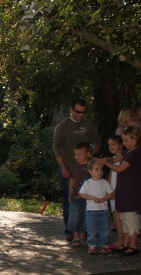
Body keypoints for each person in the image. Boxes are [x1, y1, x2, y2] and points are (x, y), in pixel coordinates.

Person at [53, 99, 101, 240]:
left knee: (88, 198)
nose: (81, 115)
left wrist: (95, 157)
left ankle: (87, 230)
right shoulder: (63, 126)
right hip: (68, 166)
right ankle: (70, 229)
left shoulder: (88, 124)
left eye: (83, 112)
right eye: (78, 112)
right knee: (71, 197)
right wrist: (63, 168)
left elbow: (97, 141)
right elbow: (57, 148)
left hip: (87, 167)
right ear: (71, 110)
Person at [100, 126, 141, 256]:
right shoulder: (128, 152)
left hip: (131, 192)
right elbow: (115, 159)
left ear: (135, 139)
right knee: (124, 219)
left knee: (130, 220)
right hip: (124, 191)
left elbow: (120, 168)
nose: (124, 143)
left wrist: (106, 163)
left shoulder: (135, 153)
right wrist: (105, 159)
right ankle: (125, 243)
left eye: (126, 140)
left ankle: (133, 245)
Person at [79, 158, 114, 254]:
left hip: (104, 210)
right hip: (92, 211)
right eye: (97, 169)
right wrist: (92, 198)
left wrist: (104, 199)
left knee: (104, 228)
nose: (100, 172)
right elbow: (82, 194)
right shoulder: (87, 183)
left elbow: (111, 193)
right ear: (90, 171)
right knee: (92, 229)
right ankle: (92, 244)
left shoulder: (105, 182)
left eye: (101, 169)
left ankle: (103, 244)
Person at [66, 142, 92, 247]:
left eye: (80, 154)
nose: (77, 156)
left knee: (86, 217)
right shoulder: (73, 167)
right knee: (74, 216)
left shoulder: (92, 166)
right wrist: (69, 194)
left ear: (88, 153)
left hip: (88, 197)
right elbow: (71, 181)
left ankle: (84, 236)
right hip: (75, 196)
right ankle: (76, 238)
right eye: (76, 154)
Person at [107, 135, 127, 249]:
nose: (111, 147)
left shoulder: (124, 159)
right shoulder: (112, 160)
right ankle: (121, 239)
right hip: (113, 191)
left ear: (121, 145)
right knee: (116, 216)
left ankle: (123, 240)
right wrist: (109, 190)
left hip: (121, 191)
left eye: (113, 144)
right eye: (109, 145)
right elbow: (111, 176)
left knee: (120, 216)